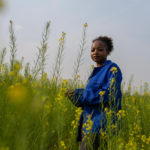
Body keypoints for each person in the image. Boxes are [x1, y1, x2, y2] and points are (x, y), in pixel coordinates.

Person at [66, 36, 122, 150]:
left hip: (100, 126)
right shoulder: (96, 71)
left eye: (100, 50)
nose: (95, 52)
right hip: (89, 124)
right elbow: (91, 97)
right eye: (92, 50)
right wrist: (75, 96)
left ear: (108, 52)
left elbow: (108, 94)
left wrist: (81, 95)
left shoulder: (112, 69)